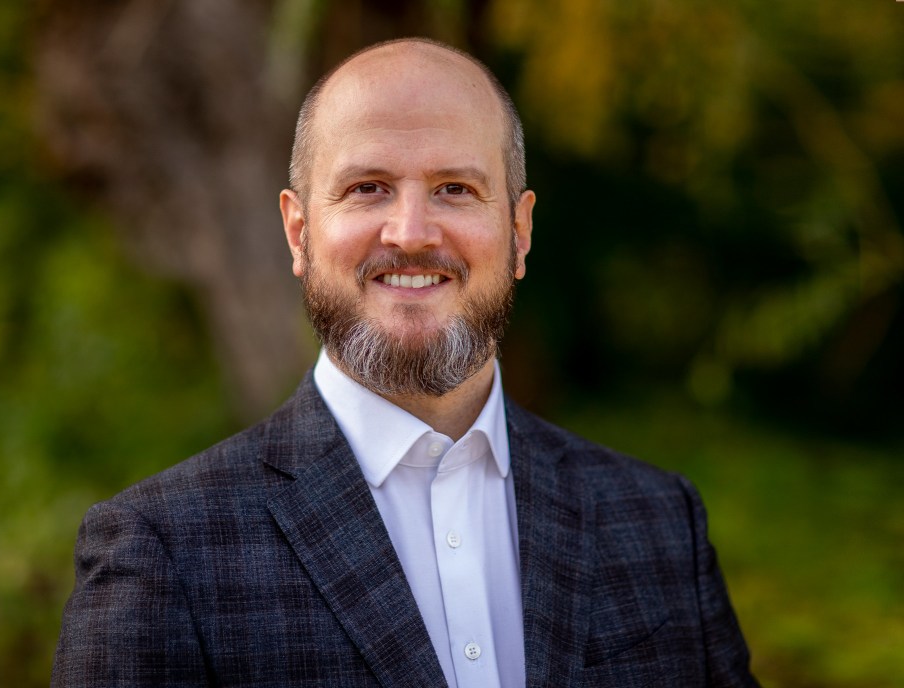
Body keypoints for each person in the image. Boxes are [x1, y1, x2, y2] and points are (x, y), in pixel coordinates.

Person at [52, 38, 759, 687]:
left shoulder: (659, 522)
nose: (412, 234)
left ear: (519, 230)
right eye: (367, 188)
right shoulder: (162, 550)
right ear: (298, 232)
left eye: (455, 188)